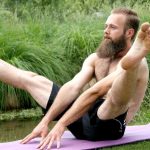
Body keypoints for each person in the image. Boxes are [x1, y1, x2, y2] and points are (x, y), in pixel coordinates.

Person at [0, 8, 149, 149]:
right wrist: (45, 122)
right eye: (106, 26)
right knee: (32, 79)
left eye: (112, 27)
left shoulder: (141, 63)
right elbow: (72, 87)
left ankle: (131, 65)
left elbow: (97, 91)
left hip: (110, 125)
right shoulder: (96, 59)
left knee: (115, 98)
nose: (106, 31)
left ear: (129, 33)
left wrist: (61, 124)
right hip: (84, 122)